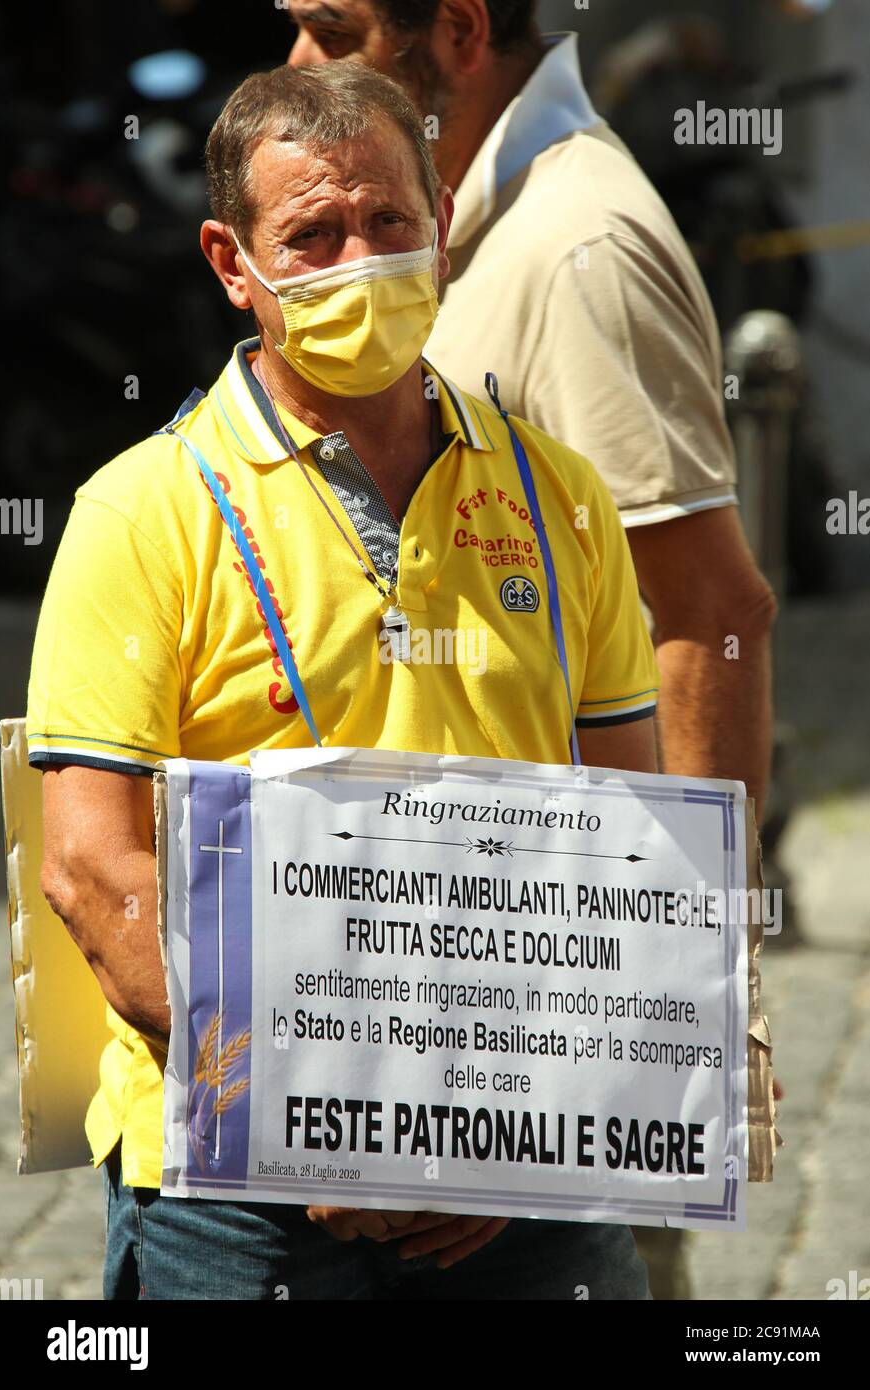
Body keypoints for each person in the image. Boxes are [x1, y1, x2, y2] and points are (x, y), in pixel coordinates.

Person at [28, 61, 661, 1300]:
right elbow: (95, 873)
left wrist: (519, 1122)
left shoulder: (562, 499)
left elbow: (630, 839)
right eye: (311, 236)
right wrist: (314, 1120)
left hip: (519, 1167)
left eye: (389, 223)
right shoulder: (142, 512)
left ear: (440, 228)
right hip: (240, 1193)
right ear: (231, 261)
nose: (360, 261)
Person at [287, 0, 778, 1300]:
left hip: (550, 1043)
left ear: (452, 31)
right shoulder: (472, 221)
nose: (295, 67)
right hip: (439, 1020)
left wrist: (645, 1028)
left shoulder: (579, 245)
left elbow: (708, 616)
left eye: (327, 27)